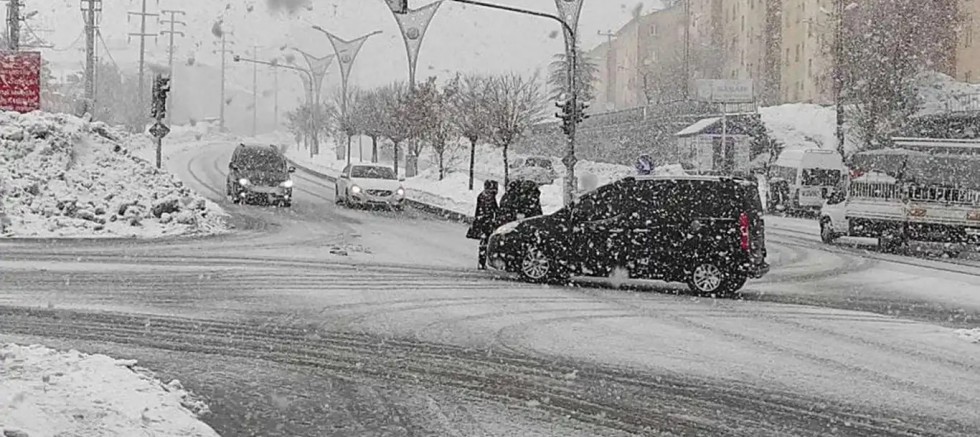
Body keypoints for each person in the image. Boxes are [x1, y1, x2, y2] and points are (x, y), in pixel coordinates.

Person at [469, 180, 499, 270]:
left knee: (484, 242)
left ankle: (481, 262)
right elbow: (494, 209)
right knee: (487, 242)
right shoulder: (489, 197)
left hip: (482, 221)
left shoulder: (482, 196)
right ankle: (483, 262)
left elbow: (479, 210)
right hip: (487, 222)